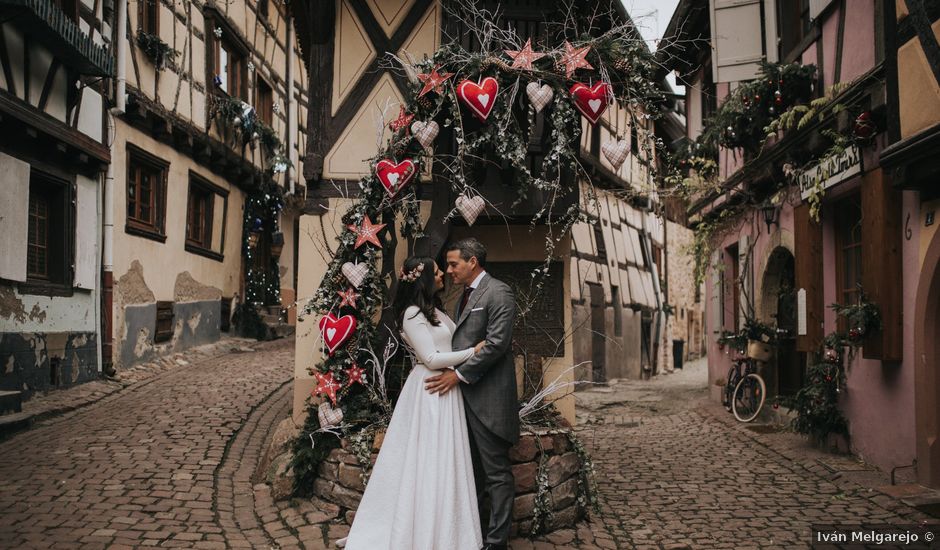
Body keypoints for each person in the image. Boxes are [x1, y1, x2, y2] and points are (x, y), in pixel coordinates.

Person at [338, 256, 485, 550]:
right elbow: (430, 358)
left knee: (446, 458)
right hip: (429, 390)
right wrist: (472, 352)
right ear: (424, 278)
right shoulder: (412, 313)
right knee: (428, 458)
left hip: (447, 388)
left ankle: (448, 531)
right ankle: (419, 529)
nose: (443, 273)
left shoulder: (436, 311)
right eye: (437, 270)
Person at [426, 238, 519, 550]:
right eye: (448, 265)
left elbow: (496, 344)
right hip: (464, 400)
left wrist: (458, 376)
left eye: (454, 264)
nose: (449, 270)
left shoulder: (498, 292)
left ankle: (496, 543)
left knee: (497, 475)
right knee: (472, 474)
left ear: (472, 262)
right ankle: (473, 537)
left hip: (489, 398)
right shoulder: (462, 296)